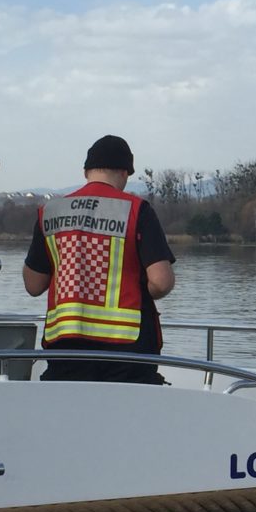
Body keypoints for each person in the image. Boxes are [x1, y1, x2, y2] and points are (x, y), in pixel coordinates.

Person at [23, 135, 175, 384]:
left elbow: (33, 285)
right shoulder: (137, 210)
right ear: (125, 173)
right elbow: (161, 282)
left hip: (65, 349)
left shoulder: (50, 212)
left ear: (86, 172)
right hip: (128, 352)